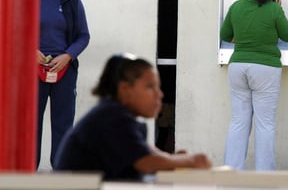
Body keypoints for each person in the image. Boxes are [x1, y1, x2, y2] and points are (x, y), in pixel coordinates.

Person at [54, 53, 212, 181]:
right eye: (150, 87)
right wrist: (192, 161)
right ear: (125, 89)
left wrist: (174, 159)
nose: (159, 94)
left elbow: (149, 153)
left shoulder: (119, 117)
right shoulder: (110, 117)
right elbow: (147, 162)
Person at [220, 0, 288, 170]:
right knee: (265, 124)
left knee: (238, 122)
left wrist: (244, 40)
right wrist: (279, 8)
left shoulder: (236, 6)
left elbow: (225, 34)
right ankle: (264, 175)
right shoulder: (274, 9)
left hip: (238, 66)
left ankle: (231, 172)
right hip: (266, 68)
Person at [37, 0, 90, 168]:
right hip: (33, 71)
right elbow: (13, 30)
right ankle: (28, 172)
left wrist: (68, 56)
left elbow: (83, 35)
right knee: (31, 124)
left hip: (64, 71)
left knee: (63, 124)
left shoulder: (71, 0)